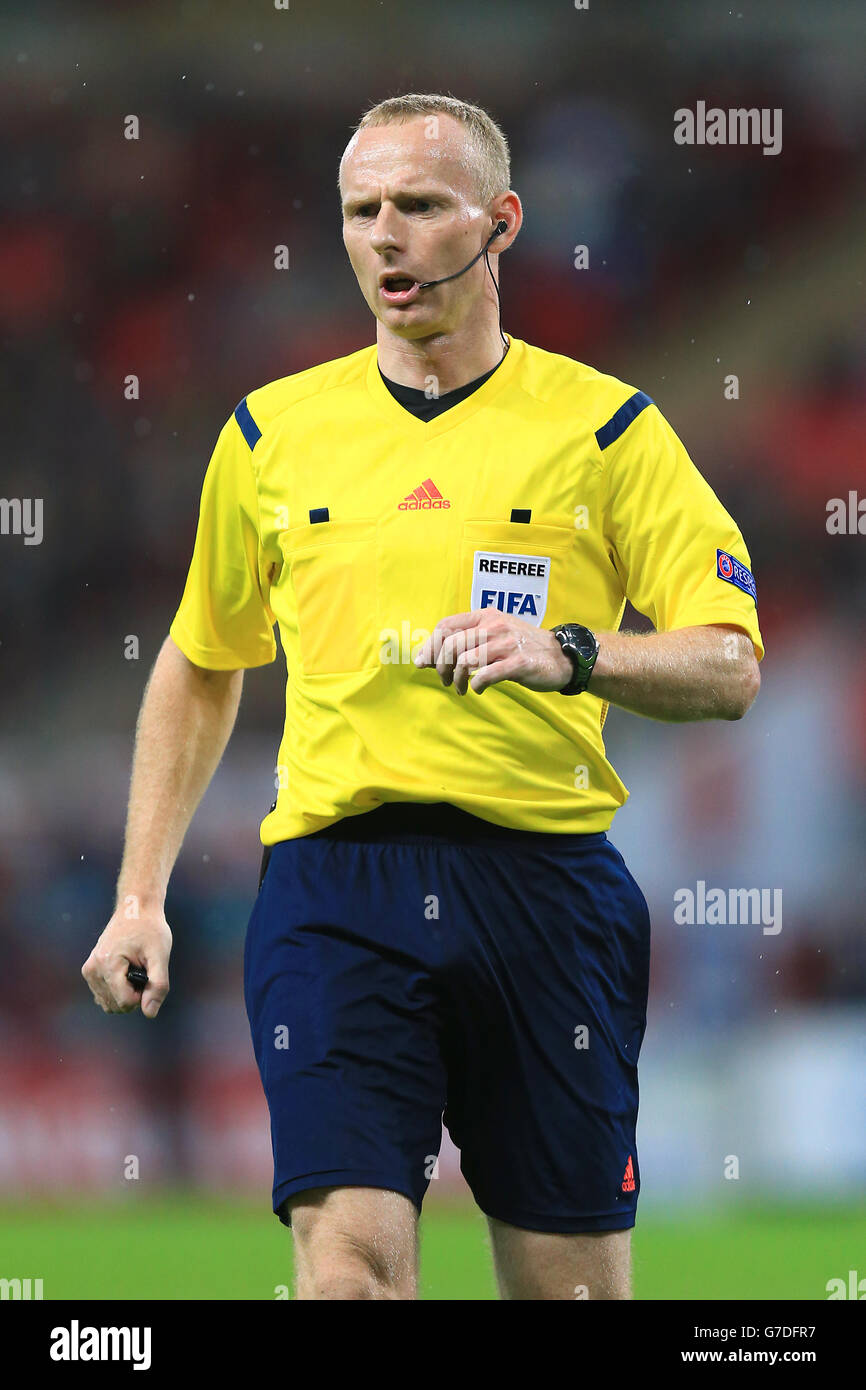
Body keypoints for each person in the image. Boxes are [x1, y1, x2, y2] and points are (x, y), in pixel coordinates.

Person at [82, 92, 764, 1300]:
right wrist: (139, 896)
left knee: (572, 1293)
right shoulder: (269, 435)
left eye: (418, 205)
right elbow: (199, 661)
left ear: (499, 222)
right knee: (347, 1273)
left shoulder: (606, 429)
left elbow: (727, 662)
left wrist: (575, 651)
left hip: (545, 885)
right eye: (360, 211)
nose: (385, 235)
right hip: (334, 888)